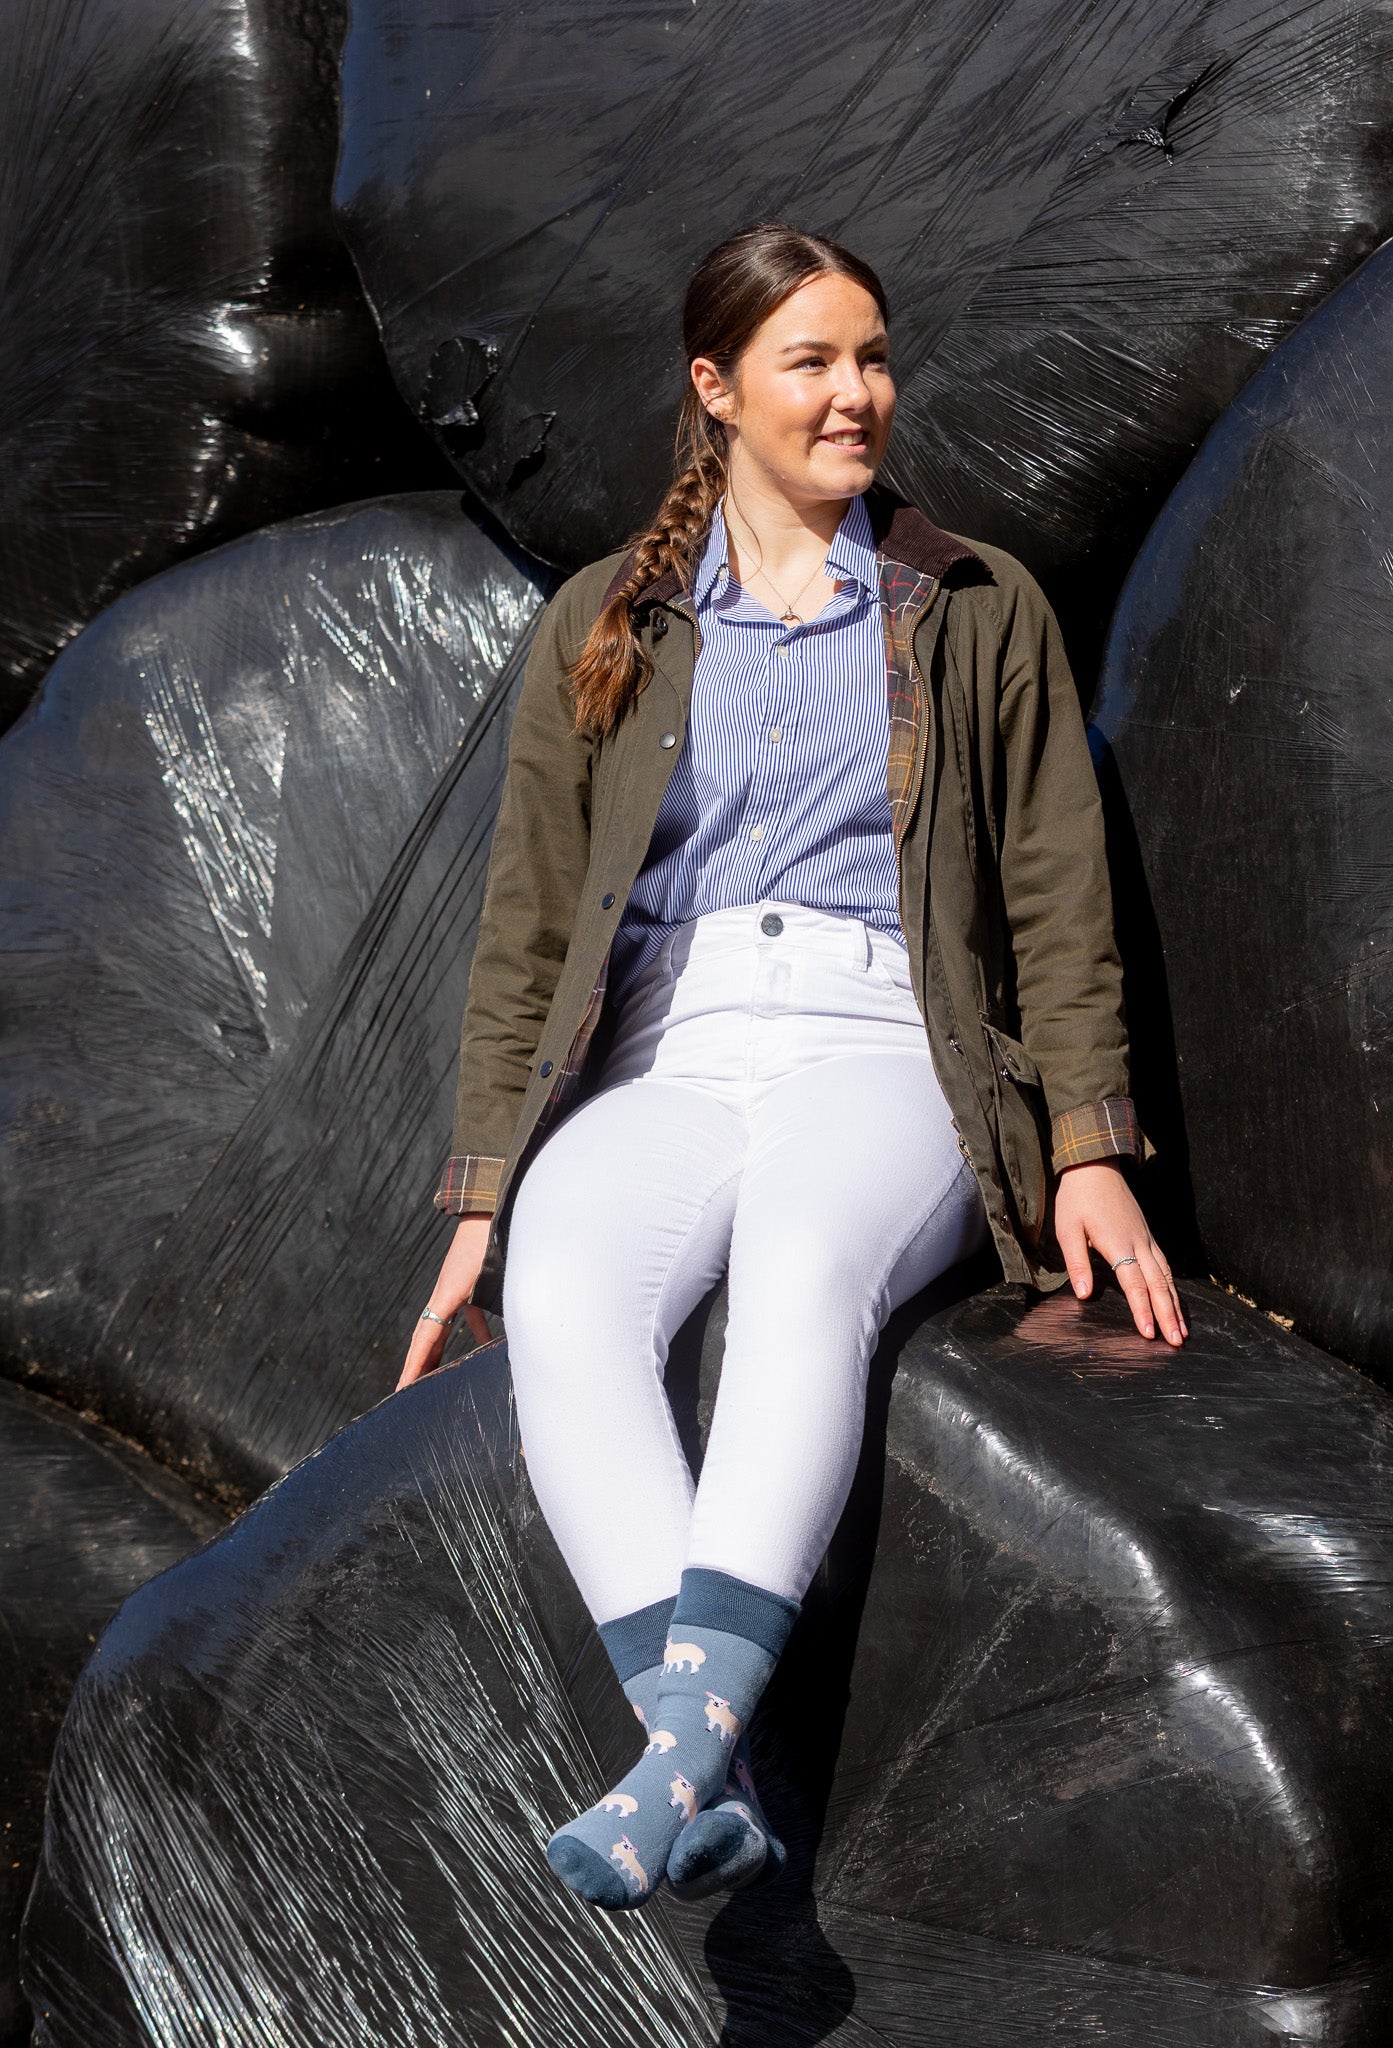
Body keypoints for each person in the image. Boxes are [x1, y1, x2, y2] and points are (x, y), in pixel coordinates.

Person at [395, 223, 1184, 1913]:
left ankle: (675, 1764)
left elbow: (1056, 889)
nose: (858, 394)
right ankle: (706, 1762)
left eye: (874, 357)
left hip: (885, 1039)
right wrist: (479, 1196)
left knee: (805, 1254)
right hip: (672, 1049)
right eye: (813, 361)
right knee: (563, 1283)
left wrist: (1090, 1145)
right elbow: (531, 928)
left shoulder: (973, 605)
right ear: (716, 390)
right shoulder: (605, 621)